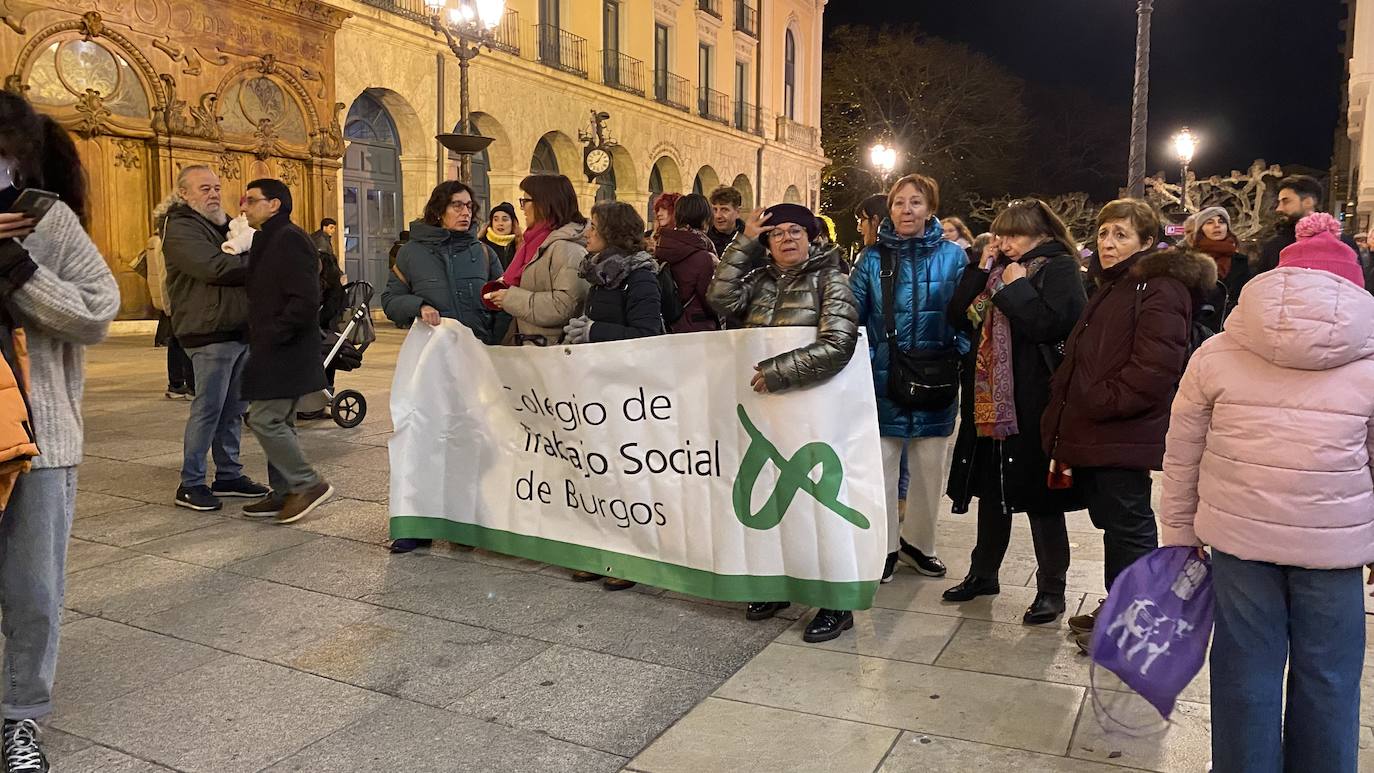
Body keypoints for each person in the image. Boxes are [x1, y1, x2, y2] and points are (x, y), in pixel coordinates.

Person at [1160, 213, 1373, 773]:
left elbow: (1182, 452)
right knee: (1330, 677)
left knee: (1244, 672)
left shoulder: (1219, 351)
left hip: (1239, 538)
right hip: (1334, 548)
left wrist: (1179, 533)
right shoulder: (1369, 356)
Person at [0, 98, 120, 773]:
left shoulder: (47, 222)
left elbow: (98, 311)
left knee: (33, 590)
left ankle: (21, 717)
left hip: (37, 436)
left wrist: (18, 270)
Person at [1041, 199, 1214, 648]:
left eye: (1120, 234)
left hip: (1121, 427)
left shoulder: (1158, 287)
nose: (1108, 243)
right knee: (1116, 524)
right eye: (1103, 234)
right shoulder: (1117, 285)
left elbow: (1156, 368)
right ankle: (1120, 607)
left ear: (1147, 242)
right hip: (1103, 428)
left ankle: (1132, 622)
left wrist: (1101, 401)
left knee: (1129, 524)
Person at [707, 202, 859, 641]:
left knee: (819, 502)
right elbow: (720, 298)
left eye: (796, 231)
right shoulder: (759, 281)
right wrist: (744, 240)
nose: (788, 239)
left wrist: (778, 371)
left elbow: (838, 342)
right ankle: (776, 583)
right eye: (777, 233)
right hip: (767, 410)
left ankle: (835, 600)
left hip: (815, 410)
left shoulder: (832, 280)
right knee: (772, 498)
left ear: (811, 237)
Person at [942, 198, 1087, 625]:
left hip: (1033, 400)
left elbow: (1051, 325)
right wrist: (978, 270)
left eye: (1014, 235)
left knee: (1041, 500)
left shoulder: (1058, 268)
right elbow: (958, 317)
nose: (1005, 243)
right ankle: (983, 573)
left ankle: (1051, 590)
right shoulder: (995, 270)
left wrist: (1015, 286)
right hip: (990, 400)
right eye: (1001, 234)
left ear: (1042, 234)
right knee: (992, 490)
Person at [850, 175, 967, 593]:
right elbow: (854, 316)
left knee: (929, 465)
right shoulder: (871, 259)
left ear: (930, 208)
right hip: (885, 377)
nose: (906, 210)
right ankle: (883, 547)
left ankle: (919, 543)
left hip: (936, 377)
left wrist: (959, 352)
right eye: (899, 203)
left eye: (915, 203)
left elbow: (969, 313)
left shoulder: (954, 258)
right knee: (881, 464)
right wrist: (863, 363)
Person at [383, 180, 505, 554]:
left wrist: (497, 348)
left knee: (472, 440)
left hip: (476, 361)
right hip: (432, 366)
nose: (465, 212)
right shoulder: (410, 253)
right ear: (438, 210)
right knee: (426, 438)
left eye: (469, 206)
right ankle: (417, 523)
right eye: (456, 205)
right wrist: (417, 305)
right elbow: (390, 299)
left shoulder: (483, 254)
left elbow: (499, 299)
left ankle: (465, 521)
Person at [564, 202, 665, 590]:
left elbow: (647, 337)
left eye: (593, 226)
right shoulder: (598, 273)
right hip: (595, 388)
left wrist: (594, 332)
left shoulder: (639, 277)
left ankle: (630, 558)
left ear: (612, 231)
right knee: (597, 472)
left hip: (628, 392)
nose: (587, 233)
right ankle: (597, 550)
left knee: (626, 476)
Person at [161, 165, 271, 511]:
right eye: (204, 188)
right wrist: (267, 263)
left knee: (233, 409)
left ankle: (229, 474)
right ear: (184, 194)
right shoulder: (179, 227)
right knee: (208, 408)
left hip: (238, 328)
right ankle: (191, 483)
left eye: (217, 187)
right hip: (207, 330)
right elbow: (214, 268)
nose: (213, 194)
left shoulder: (224, 225)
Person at [237, 179, 333, 524]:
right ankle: (283, 492)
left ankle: (307, 483)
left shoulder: (288, 238)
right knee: (282, 421)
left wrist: (274, 333)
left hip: (285, 347)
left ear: (274, 204)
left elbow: (305, 299)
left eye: (251, 200)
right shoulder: (269, 237)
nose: (244, 207)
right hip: (276, 344)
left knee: (265, 418)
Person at [483, 174, 589, 346]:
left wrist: (510, 299)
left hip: (550, 354)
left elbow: (564, 307)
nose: (522, 208)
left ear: (544, 204)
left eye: (526, 201)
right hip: (529, 348)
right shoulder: (534, 243)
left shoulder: (566, 248)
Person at [1254, 175, 1359, 275]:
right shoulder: (1273, 246)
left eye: (1286, 201)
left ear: (1308, 202)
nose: (1279, 208)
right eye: (1279, 202)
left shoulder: (1343, 244)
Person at [654, 192, 719, 332]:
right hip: (697, 328)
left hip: (669, 325)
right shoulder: (703, 256)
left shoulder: (662, 246)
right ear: (704, 220)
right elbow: (711, 301)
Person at [1183, 205, 1249, 326]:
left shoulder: (1243, 262)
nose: (1217, 225)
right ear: (1201, 229)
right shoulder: (1190, 261)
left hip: (1232, 329)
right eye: (1209, 222)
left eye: (1221, 222)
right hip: (1197, 330)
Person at [480, 201, 522, 267]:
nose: (500, 223)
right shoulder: (481, 244)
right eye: (496, 219)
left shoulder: (520, 245)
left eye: (505, 219)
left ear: (513, 223)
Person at [707, 185, 745, 255]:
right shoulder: (704, 241)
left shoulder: (749, 240)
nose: (717, 216)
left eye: (724, 209)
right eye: (715, 209)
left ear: (738, 212)